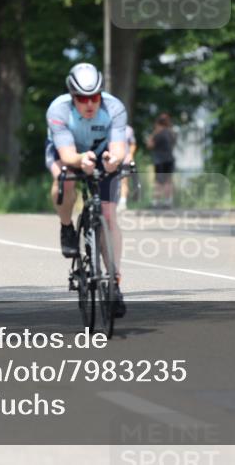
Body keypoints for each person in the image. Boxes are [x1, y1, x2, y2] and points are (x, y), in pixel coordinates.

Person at [45, 63, 129, 317]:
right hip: (67, 153)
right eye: (82, 99)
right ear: (72, 97)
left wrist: (114, 160)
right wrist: (80, 160)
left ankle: (113, 283)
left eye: (94, 97)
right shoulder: (58, 110)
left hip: (102, 155)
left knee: (109, 215)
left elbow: (119, 147)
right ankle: (66, 227)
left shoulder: (114, 108)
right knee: (65, 178)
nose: (89, 104)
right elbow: (68, 154)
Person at [146, 112, 177, 208]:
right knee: (168, 180)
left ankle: (156, 201)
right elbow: (173, 144)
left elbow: (149, 145)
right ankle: (168, 201)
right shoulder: (171, 132)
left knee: (158, 181)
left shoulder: (158, 133)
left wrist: (154, 132)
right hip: (170, 159)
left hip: (159, 159)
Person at [118, 124, 137, 211]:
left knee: (124, 180)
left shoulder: (129, 129)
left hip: (125, 160)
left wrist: (130, 154)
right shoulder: (107, 126)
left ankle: (122, 202)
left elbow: (133, 144)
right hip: (111, 159)